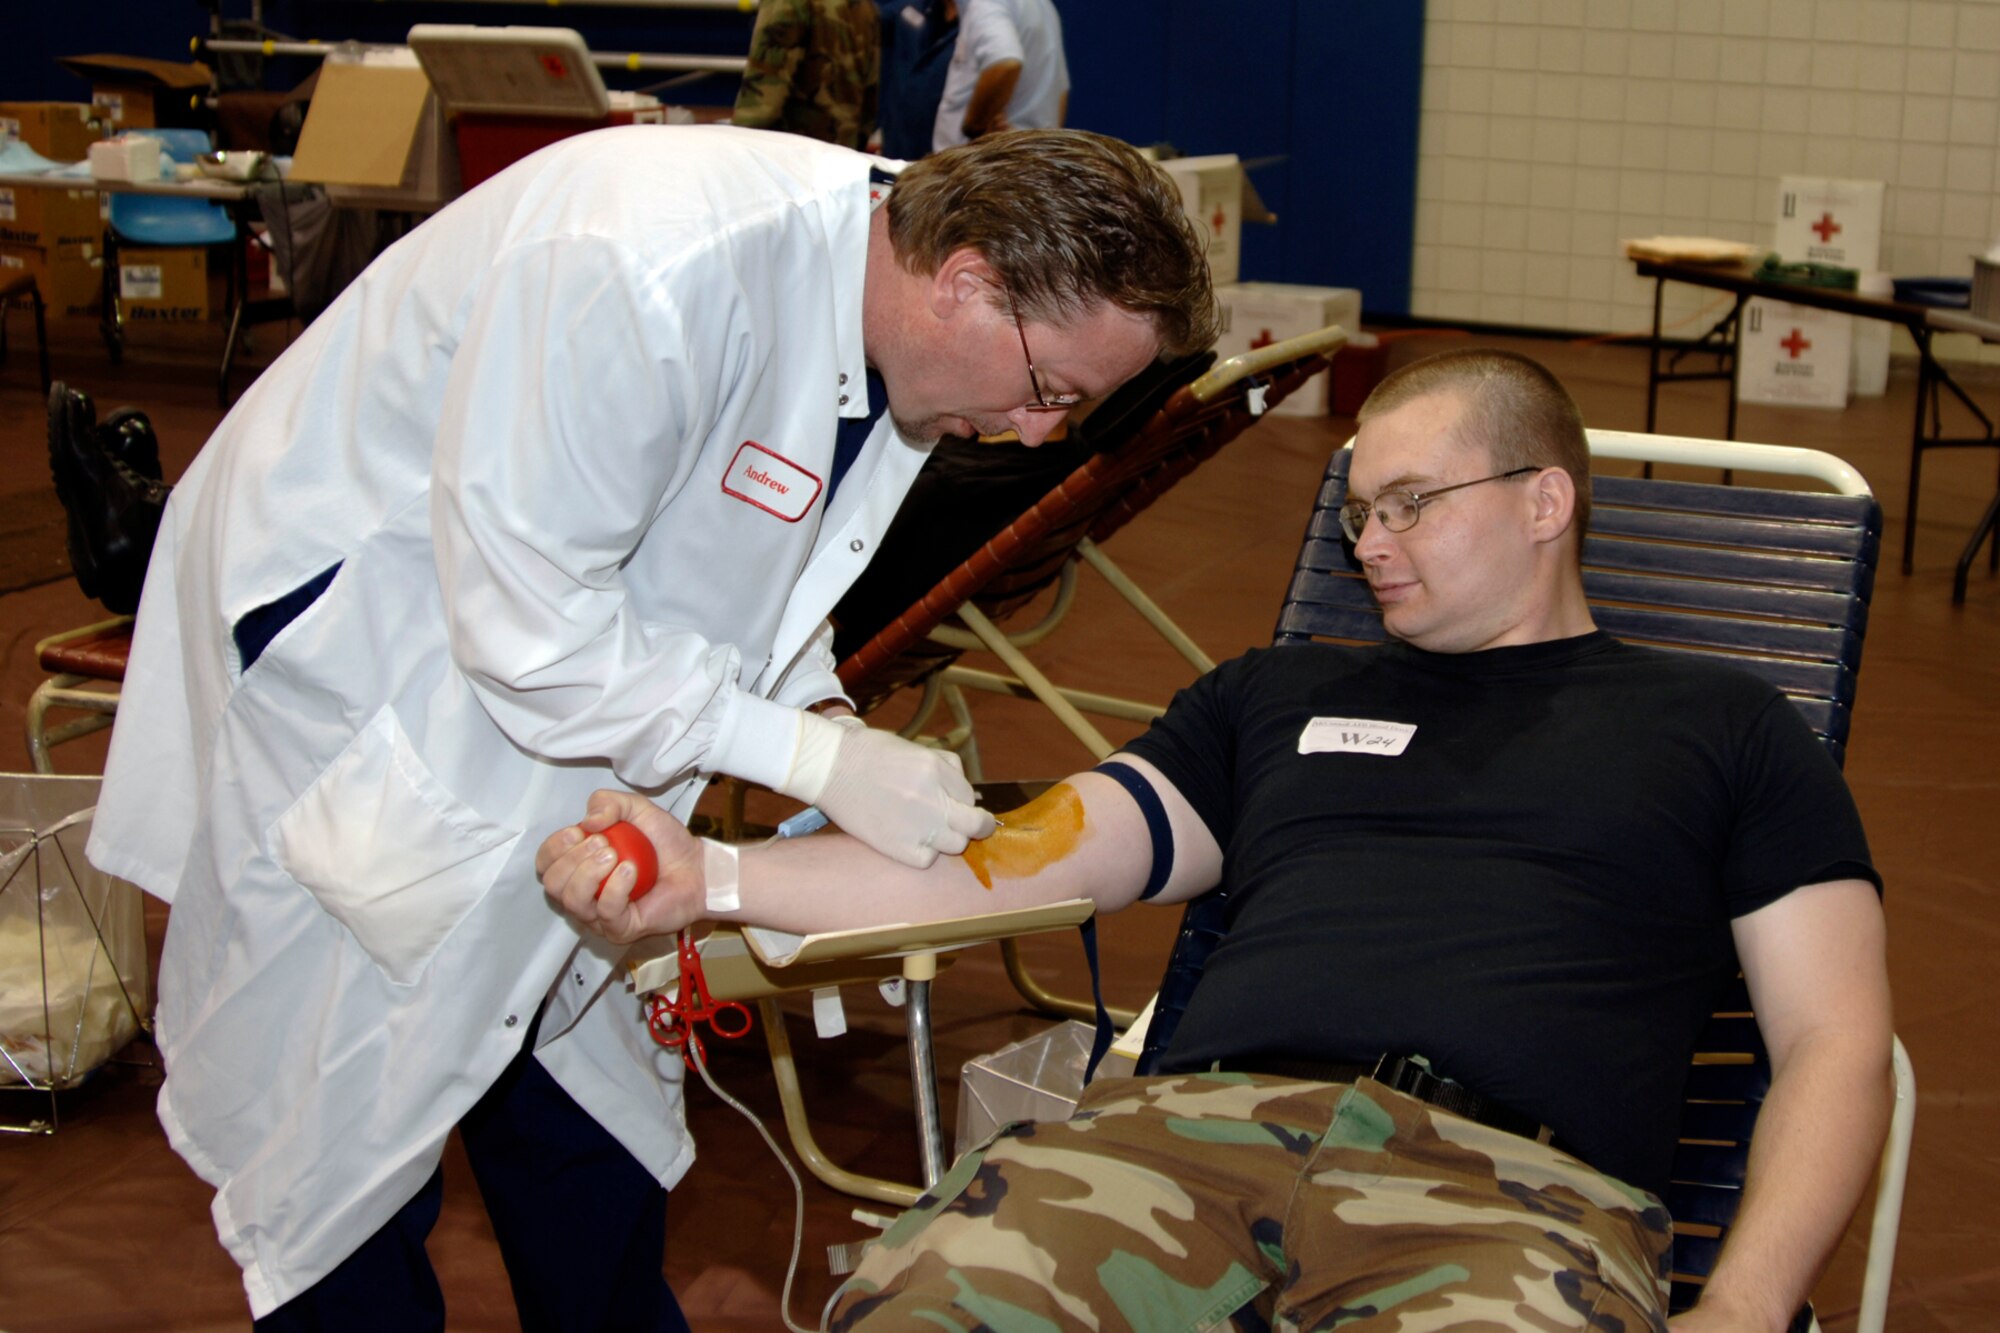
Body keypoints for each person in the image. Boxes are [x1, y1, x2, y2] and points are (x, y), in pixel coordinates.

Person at [86, 124, 1216, 1328]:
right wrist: (810, 754)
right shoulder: (643, 268)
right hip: (378, 680)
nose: (1039, 431)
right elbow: (526, 631)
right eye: (1049, 391)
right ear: (969, 282)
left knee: (581, 1107)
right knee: (353, 1140)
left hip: (559, 683)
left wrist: (824, 712)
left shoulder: (886, 320)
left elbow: (760, 575)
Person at [539, 349, 1895, 1332]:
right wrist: (706, 877)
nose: (1371, 541)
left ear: (1545, 500)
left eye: (1413, 502)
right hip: (1178, 1147)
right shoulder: (1276, 696)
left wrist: (1751, 1300)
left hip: (1505, 1197)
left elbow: (1835, 1036)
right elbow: (1007, 857)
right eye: (1358, 509)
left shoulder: (1722, 726)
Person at [732, 0, 882, 150]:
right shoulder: (866, 5)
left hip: (791, 154)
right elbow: (871, 94)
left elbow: (762, 97)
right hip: (843, 153)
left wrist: (738, 149)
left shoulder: (784, 3)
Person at [931, 0, 1069, 152]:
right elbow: (1061, 91)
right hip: (1030, 160)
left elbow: (1006, 63)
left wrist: (975, 130)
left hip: (980, 164)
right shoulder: (1043, 6)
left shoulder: (987, 3)